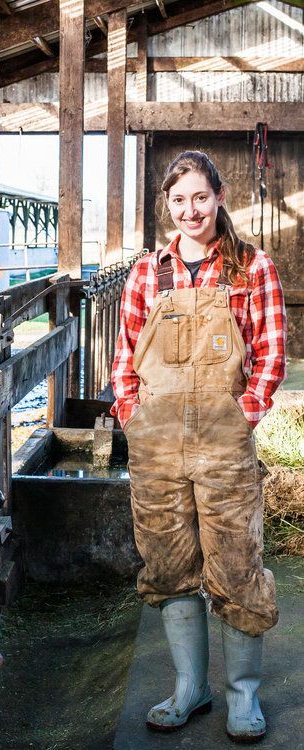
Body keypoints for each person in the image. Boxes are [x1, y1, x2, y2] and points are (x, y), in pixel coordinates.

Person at [110, 151, 286, 743]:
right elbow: (124, 360)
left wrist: (242, 417)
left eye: (200, 198)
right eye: (179, 200)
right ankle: (191, 688)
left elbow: (270, 357)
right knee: (168, 566)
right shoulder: (146, 274)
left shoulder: (250, 268)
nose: (190, 210)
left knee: (236, 566)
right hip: (156, 448)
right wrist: (132, 417)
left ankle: (243, 696)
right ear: (168, 204)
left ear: (218, 197)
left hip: (223, 446)